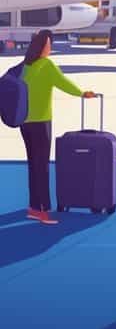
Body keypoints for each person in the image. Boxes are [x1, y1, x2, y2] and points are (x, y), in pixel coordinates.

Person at [18, 29, 97, 225]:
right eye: (49, 43)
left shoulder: (25, 66)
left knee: (33, 165)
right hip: (41, 123)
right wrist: (82, 93)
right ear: (44, 46)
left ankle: (33, 206)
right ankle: (42, 210)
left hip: (24, 123)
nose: (51, 47)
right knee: (42, 166)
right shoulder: (47, 65)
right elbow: (64, 83)